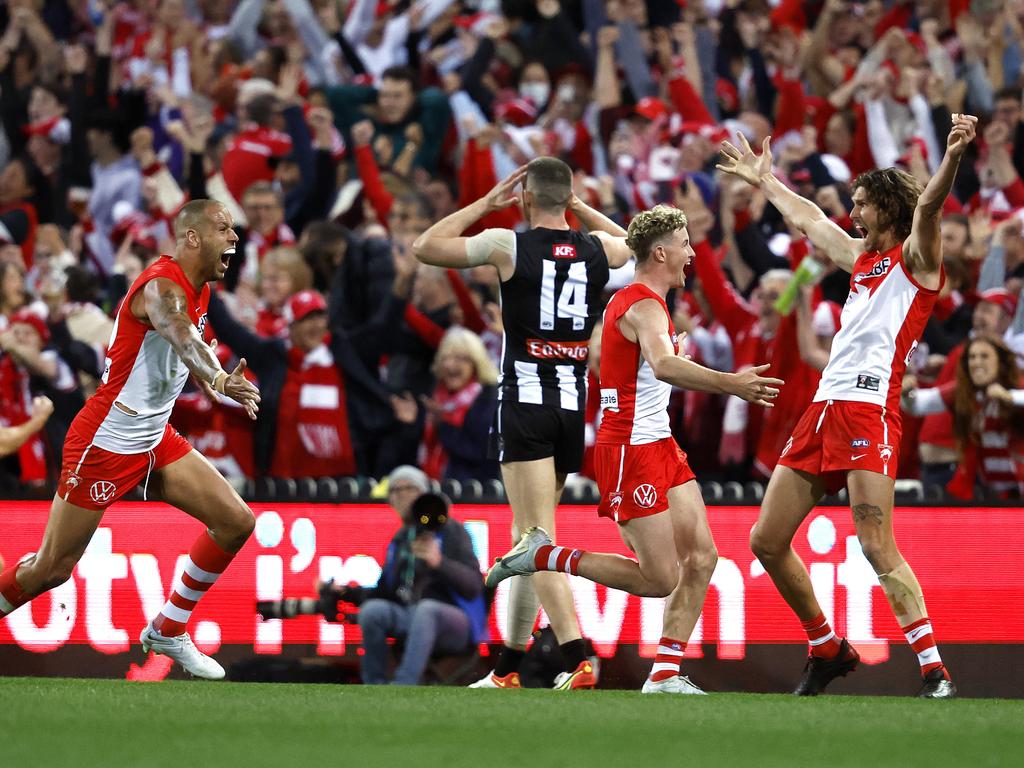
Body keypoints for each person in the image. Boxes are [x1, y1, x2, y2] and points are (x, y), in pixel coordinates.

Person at [716, 114, 979, 699]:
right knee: (765, 541)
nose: (852, 214)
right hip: (823, 408)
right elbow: (809, 219)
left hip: (870, 410)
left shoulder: (918, 260)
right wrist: (766, 181)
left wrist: (953, 155)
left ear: (887, 207)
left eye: (860, 204)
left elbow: (930, 207)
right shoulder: (861, 260)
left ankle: (934, 668)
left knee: (875, 542)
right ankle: (827, 646)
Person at [485, 205, 782, 694]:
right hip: (629, 450)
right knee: (659, 577)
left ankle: (664, 674)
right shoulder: (643, 304)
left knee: (703, 557)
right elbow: (662, 366)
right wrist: (732, 383)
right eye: (686, 244)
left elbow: (650, 365)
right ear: (662, 252)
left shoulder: (640, 302)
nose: (691, 254)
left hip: (659, 444)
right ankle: (546, 555)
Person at [0, 199, 261, 680]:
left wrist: (208, 378)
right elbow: (182, 336)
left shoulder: (200, 289)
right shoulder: (163, 287)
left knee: (236, 522)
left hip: (153, 438)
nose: (234, 238)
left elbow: (181, 352)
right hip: (105, 441)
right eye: (224, 229)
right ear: (192, 238)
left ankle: (167, 628)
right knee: (51, 569)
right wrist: (219, 379)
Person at [413, 157, 633, 690]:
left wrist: (485, 205)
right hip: (572, 407)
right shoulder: (596, 248)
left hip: (527, 404)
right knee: (525, 538)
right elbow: (633, 243)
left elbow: (427, 246)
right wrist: (581, 208)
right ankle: (508, 668)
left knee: (536, 541)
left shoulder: (507, 244)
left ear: (526, 198)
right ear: (570, 198)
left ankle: (579, 657)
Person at [321, 466, 485, 686]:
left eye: (410, 488)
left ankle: (404, 684)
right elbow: (384, 592)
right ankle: (374, 684)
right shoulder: (400, 539)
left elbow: (474, 586)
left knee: (426, 610)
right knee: (373, 611)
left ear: (424, 494)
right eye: (396, 490)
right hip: (411, 615)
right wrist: (344, 593)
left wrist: (440, 563)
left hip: (455, 623)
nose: (403, 495)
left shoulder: (450, 530)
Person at [903, 334, 1024, 499]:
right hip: (993, 493)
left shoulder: (1017, 386)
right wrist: (906, 393)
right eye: (972, 357)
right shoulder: (964, 393)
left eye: (984, 356)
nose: (977, 362)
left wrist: (1009, 397)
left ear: (1000, 362)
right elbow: (918, 404)